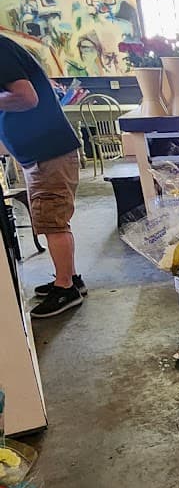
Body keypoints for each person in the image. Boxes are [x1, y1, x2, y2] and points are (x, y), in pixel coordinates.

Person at [0, 30, 84, 317]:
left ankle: (66, 289)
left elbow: (26, 98)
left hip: (50, 152)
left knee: (53, 223)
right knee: (52, 220)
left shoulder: (0, 49)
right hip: (41, 152)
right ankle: (70, 277)